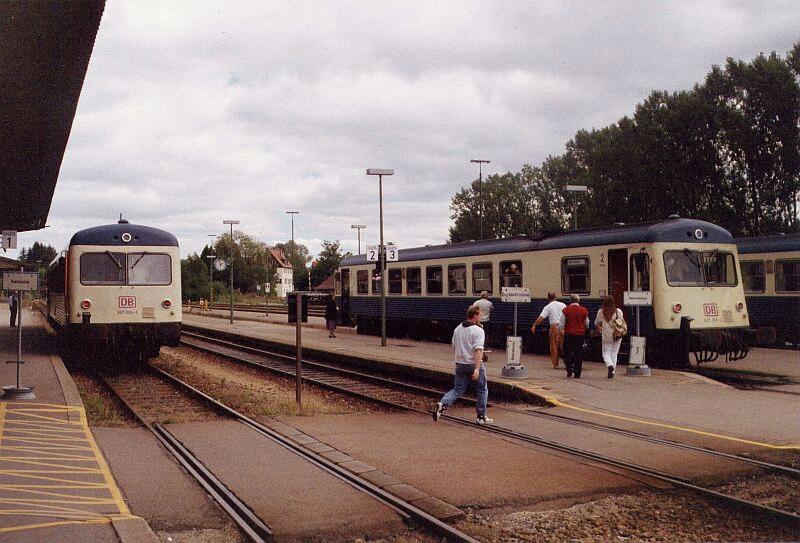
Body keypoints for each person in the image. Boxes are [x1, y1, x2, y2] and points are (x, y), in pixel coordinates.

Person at [432, 305, 492, 424]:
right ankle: (481, 416)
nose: (480, 317)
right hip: (472, 363)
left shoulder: (458, 329)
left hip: (460, 364)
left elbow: (454, 346)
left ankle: (442, 404)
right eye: (479, 315)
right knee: (482, 389)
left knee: (457, 390)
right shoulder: (478, 330)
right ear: (475, 315)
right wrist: (476, 368)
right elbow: (478, 350)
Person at [531, 292, 566, 368]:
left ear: (548, 298)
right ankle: (568, 362)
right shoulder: (563, 304)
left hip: (554, 326)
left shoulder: (548, 306)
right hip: (563, 326)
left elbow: (541, 318)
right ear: (555, 297)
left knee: (554, 346)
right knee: (564, 345)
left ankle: (555, 364)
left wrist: (534, 325)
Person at [595, 296, 626, 378]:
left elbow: (597, 323)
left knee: (605, 353)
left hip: (606, 335)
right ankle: (612, 372)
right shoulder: (618, 311)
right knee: (614, 354)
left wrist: (601, 328)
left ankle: (610, 366)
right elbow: (621, 322)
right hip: (617, 335)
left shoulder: (601, 312)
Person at [560, 294, 589, 378]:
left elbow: (561, 324)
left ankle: (569, 370)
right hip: (579, 335)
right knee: (578, 353)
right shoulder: (584, 310)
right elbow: (587, 323)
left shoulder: (565, 310)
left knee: (567, 353)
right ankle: (577, 373)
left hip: (569, 334)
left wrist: (562, 332)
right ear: (578, 300)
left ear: (570, 300)